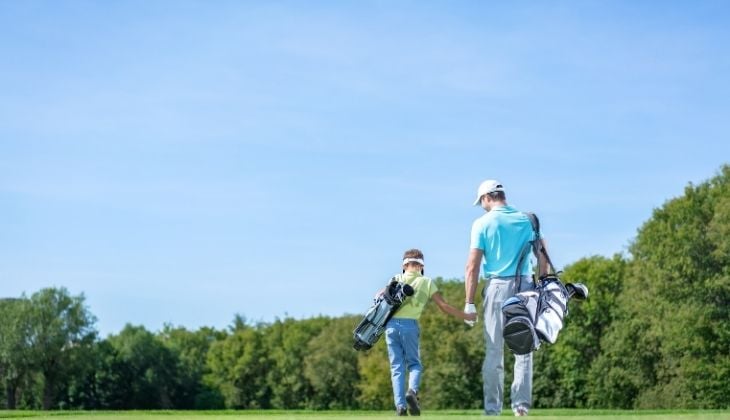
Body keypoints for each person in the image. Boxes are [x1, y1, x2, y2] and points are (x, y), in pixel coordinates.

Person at [462, 180, 548, 417]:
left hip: (498, 287)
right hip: (526, 288)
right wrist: (541, 288)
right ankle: (520, 407)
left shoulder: (482, 223)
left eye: (481, 202)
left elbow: (472, 267)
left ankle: (492, 410)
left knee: (494, 351)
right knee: (524, 349)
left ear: (487, 198)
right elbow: (542, 256)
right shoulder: (527, 219)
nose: (482, 206)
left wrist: (469, 302)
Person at [384, 248, 477, 416]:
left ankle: (400, 406)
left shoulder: (396, 278)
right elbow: (443, 306)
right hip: (410, 326)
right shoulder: (426, 282)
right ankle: (412, 391)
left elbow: (379, 297)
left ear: (404, 265)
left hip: (390, 326)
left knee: (396, 366)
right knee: (414, 364)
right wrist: (466, 315)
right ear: (421, 265)